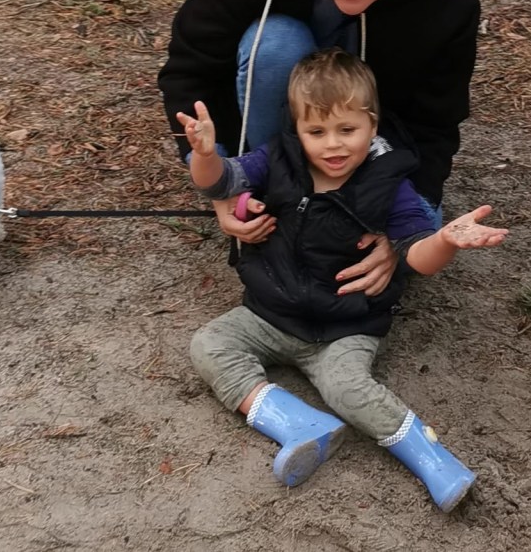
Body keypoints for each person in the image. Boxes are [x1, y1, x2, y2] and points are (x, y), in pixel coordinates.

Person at [175, 49, 507, 512]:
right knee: (210, 344)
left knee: (347, 389)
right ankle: (297, 424)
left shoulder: (389, 182)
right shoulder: (279, 158)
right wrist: (206, 155)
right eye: (316, 132)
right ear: (297, 129)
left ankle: (434, 460)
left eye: (347, 130)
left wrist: (445, 240)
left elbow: (415, 254)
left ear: (372, 125)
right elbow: (220, 183)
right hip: (270, 312)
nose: (332, 146)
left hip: (347, 325)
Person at [158, 0, 481, 299]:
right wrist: (219, 185)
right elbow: (191, 63)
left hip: (374, 138)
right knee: (275, 42)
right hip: (288, 94)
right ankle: (267, 189)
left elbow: (436, 122)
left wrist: (399, 229)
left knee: (411, 257)